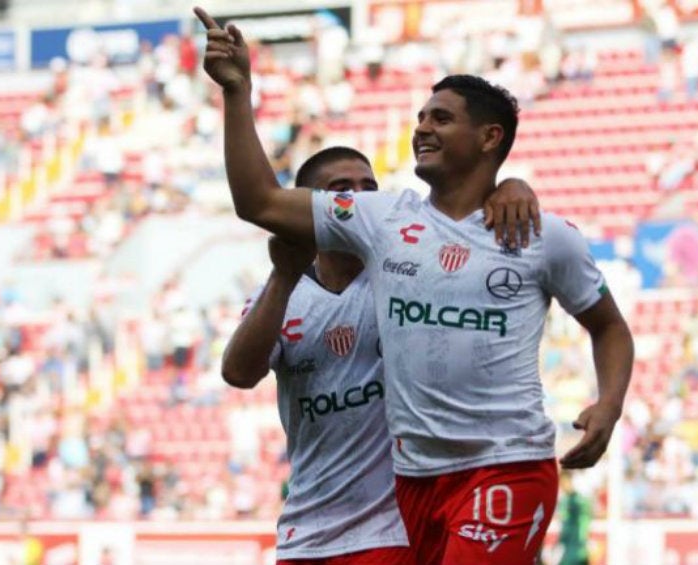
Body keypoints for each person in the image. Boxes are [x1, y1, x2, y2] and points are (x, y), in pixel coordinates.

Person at [196, 8, 633, 564]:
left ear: (489, 137)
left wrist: (610, 403)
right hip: (415, 480)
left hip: (506, 462)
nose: (422, 127)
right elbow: (258, 202)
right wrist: (238, 93)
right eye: (421, 116)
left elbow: (609, 326)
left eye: (442, 119)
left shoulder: (543, 237)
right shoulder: (384, 224)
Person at [222, 147, 539, 564]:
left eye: (368, 188)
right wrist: (283, 275)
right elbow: (239, 373)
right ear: (309, 207)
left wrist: (511, 187)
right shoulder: (283, 294)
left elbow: (466, 232)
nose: (360, 199)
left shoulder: (409, 273)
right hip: (305, 532)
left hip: (394, 529)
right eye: (342, 190)